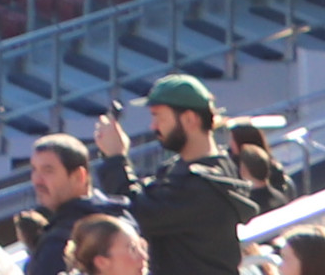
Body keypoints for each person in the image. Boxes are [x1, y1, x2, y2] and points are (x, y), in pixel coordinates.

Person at [92, 76, 266, 275]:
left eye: (159, 117)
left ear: (190, 119)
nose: (153, 126)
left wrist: (115, 158)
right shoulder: (194, 170)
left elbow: (135, 213)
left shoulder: (202, 183)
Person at [10, 135, 101, 273]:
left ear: (78, 176)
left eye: (48, 171)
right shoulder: (120, 215)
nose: (37, 180)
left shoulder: (57, 246)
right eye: (34, 170)